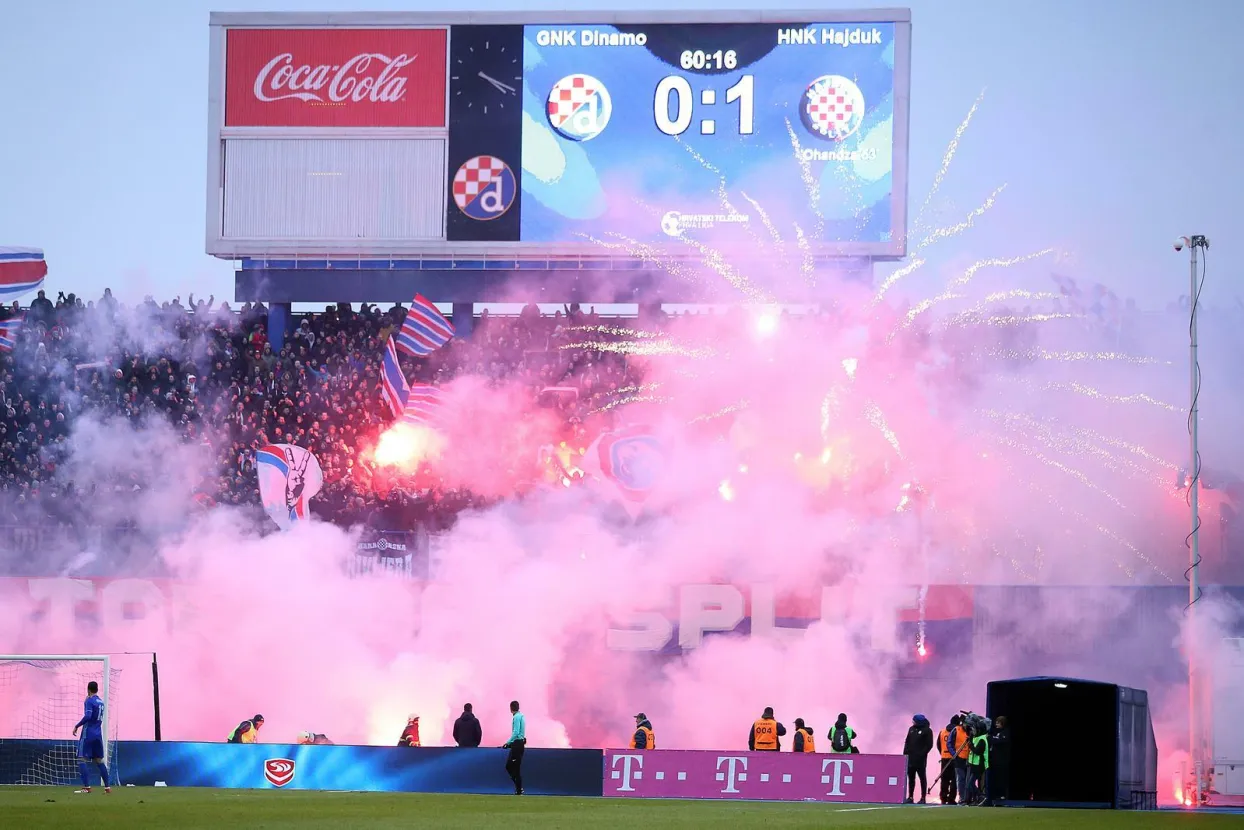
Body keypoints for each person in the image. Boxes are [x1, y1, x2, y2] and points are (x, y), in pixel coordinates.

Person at [72, 681, 110, 794]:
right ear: (97, 689)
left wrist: (77, 726)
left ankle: (87, 787)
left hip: (88, 733)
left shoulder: (89, 701)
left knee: (81, 759)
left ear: (88, 690)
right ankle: (107, 787)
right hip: (98, 735)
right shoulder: (101, 702)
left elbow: (88, 716)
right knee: (99, 760)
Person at [903, 713, 934, 804]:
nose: (913, 722)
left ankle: (923, 798)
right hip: (910, 758)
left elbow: (929, 745)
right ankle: (910, 797)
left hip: (920, 759)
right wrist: (905, 753)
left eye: (915, 721)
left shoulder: (927, 731)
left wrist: (922, 754)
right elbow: (907, 741)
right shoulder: (911, 729)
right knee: (911, 778)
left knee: (922, 778)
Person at [502, 700, 526, 795]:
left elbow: (516, 732)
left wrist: (507, 743)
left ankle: (519, 788)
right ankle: (519, 788)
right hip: (520, 744)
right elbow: (521, 732)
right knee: (514, 767)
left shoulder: (516, 717)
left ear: (511, 708)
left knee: (511, 767)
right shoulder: (522, 716)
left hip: (517, 744)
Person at [985, 716, 1010, 806]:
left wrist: (991, 739)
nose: (996, 724)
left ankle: (1002, 796)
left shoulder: (1005, 732)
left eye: (998, 723)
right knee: (996, 778)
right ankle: (996, 795)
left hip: (1002, 761)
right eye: (996, 722)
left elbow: (1000, 741)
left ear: (1002, 723)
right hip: (995, 760)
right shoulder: (997, 733)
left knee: (1001, 778)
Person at [936, 715, 960, 805]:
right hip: (955, 758)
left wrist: (942, 753)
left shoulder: (942, 731)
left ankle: (943, 798)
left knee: (944, 779)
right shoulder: (957, 731)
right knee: (954, 779)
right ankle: (951, 799)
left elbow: (938, 744)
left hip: (944, 758)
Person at [967, 723, 990, 805]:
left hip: (979, 765)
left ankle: (981, 797)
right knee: (971, 784)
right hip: (974, 764)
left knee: (970, 784)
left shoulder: (982, 740)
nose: (973, 731)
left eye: (974, 729)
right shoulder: (977, 738)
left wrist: (971, 745)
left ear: (979, 730)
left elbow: (977, 751)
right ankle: (976, 799)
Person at [951, 715, 971, 804]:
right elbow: (949, 743)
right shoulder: (956, 730)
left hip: (970, 758)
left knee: (968, 780)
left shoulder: (971, 731)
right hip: (959, 758)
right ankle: (962, 798)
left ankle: (968, 798)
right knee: (961, 779)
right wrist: (954, 754)